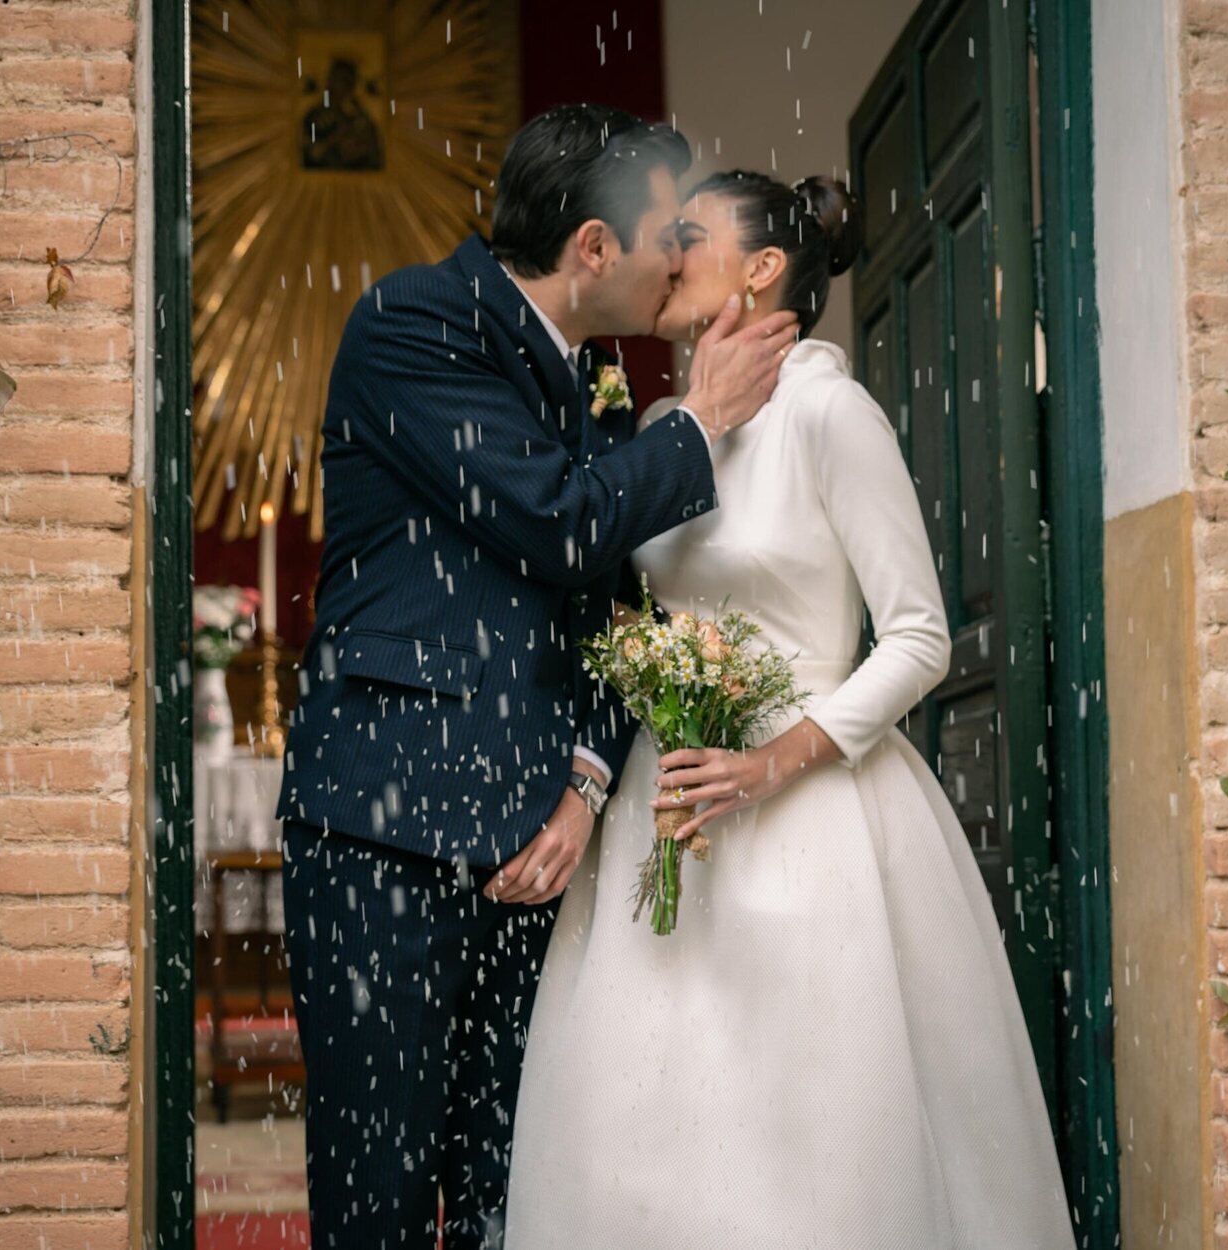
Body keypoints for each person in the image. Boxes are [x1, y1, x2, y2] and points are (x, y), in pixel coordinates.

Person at [504, 170, 1078, 1247]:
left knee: (810, 1139)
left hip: (814, 820)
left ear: (763, 269)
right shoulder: (667, 426)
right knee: (645, 1135)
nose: (664, 254)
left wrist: (767, 764)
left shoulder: (829, 409)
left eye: (689, 235)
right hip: (665, 816)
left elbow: (918, 636)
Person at [276, 110, 801, 1248]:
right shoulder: (412, 322)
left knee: (503, 1194)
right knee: (373, 1191)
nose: (680, 253)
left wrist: (579, 784)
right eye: (666, 229)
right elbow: (557, 526)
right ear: (594, 250)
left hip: (534, 850)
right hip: (387, 834)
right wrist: (704, 418)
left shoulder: (594, 378)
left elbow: (618, 617)